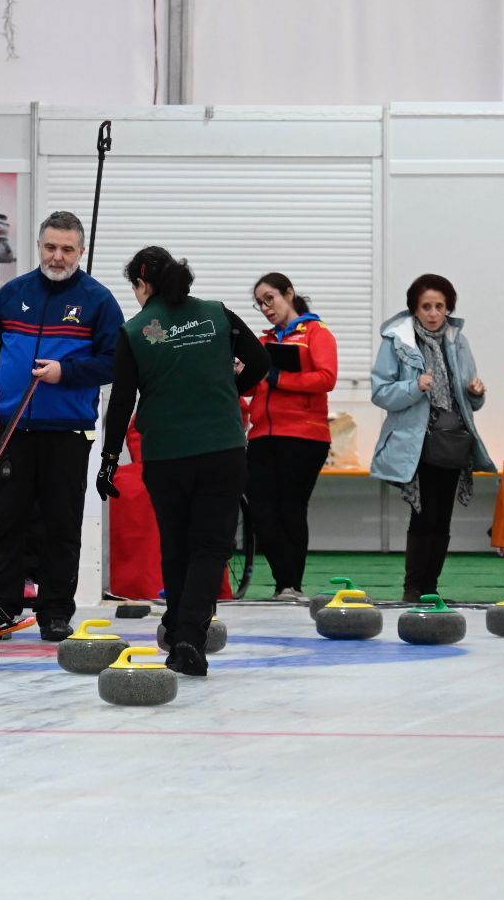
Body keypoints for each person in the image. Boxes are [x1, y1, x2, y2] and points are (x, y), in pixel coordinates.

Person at [99, 247, 269, 676]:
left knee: (176, 546)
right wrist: (235, 387)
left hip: (166, 454)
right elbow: (261, 362)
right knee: (210, 547)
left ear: (142, 286)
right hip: (223, 449)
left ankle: (178, 630)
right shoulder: (217, 313)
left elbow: (121, 401)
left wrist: (107, 457)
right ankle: (188, 638)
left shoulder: (136, 331)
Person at [0, 211, 123, 641]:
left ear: (81, 251)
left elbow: (115, 361)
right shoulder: (12, 296)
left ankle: (54, 613)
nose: (58, 256)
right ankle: (0, 610)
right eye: (51, 247)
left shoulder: (98, 301)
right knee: (5, 522)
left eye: (67, 249)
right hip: (14, 430)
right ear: (39, 246)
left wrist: (64, 372)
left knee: (61, 525)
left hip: (67, 434)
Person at [370, 274, 495, 603]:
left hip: (453, 441)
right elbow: (381, 392)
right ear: (414, 308)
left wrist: (476, 393)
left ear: (448, 308)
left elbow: (470, 398)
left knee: (443, 517)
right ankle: (413, 588)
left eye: (440, 306)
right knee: (423, 516)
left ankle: (431, 588)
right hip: (418, 443)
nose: (433, 313)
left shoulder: (457, 339)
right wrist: (414, 387)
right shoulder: (397, 341)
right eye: (426, 306)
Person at [245, 271, 340, 601]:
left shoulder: (317, 333)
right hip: (261, 435)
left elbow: (326, 378)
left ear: (289, 294)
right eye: (260, 303)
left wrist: (278, 377)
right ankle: (285, 582)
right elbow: (257, 385)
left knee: (291, 509)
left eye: (270, 298)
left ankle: (289, 585)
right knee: (260, 512)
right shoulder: (263, 340)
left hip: (304, 435)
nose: (266, 307)